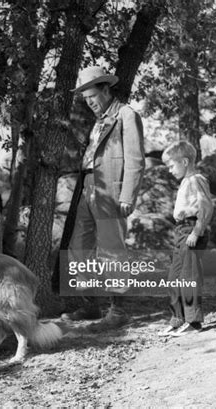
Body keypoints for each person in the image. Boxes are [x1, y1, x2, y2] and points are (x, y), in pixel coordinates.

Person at [55, 66, 145, 327]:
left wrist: (128, 194)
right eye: (86, 99)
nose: (90, 102)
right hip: (87, 187)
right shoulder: (98, 121)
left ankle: (118, 311)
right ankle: (90, 305)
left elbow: (136, 159)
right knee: (77, 248)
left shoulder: (126, 115)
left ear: (106, 89)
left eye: (93, 96)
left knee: (111, 249)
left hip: (111, 191)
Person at [159, 140, 213, 336]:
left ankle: (194, 321)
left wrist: (196, 233)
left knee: (188, 277)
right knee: (174, 278)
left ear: (184, 161)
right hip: (180, 231)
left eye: (171, 165)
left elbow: (206, 208)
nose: (170, 170)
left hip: (191, 228)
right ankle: (178, 318)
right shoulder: (185, 182)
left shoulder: (196, 179)